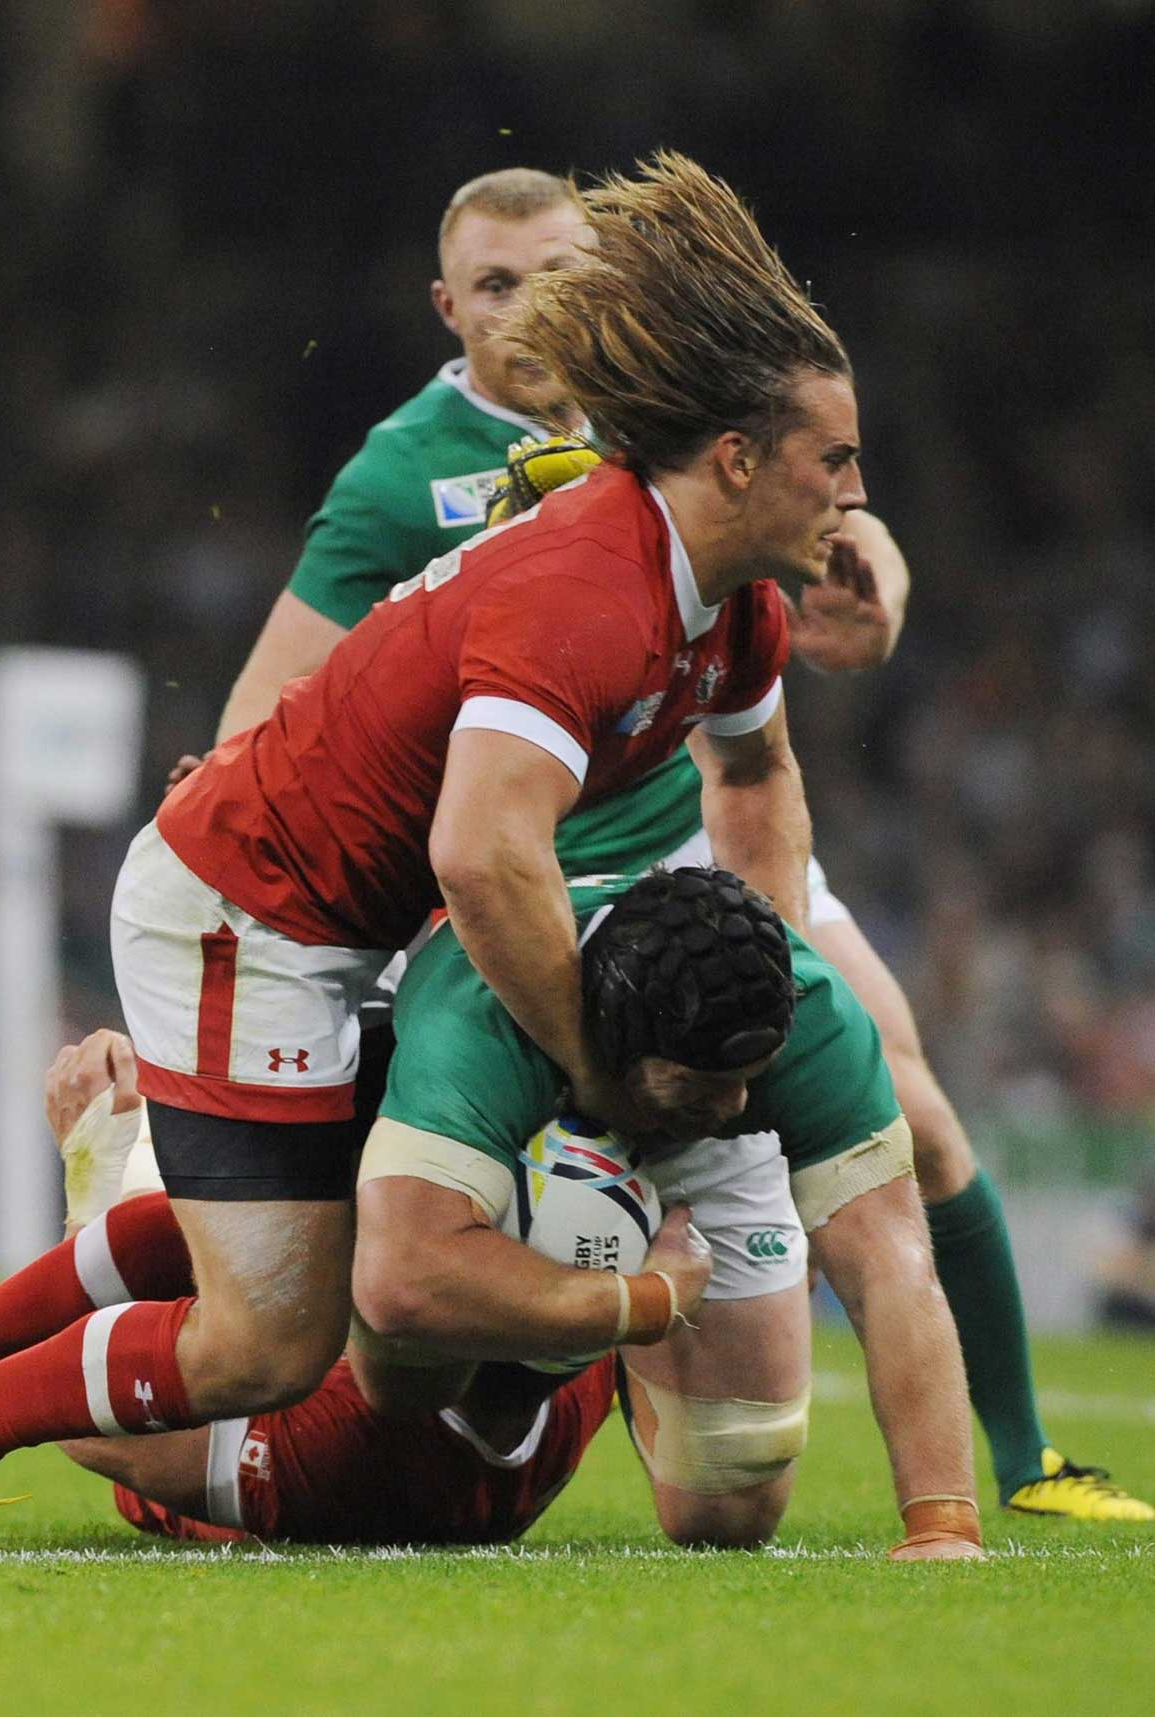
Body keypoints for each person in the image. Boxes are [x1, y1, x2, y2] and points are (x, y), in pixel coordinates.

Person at [0, 152, 865, 1552]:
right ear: (737, 460)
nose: (857, 494)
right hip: (252, 914)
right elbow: (485, 854)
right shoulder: (590, 585)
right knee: (270, 1337)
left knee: (285, 1237)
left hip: (341, 921)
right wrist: (598, 1071)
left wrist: (768, 966)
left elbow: (756, 773)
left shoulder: (722, 598)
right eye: (841, 461)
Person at [178, 157, 1147, 1522]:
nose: (531, 311)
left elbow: (803, 476)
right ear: (447, 305)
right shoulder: (404, 476)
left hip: (701, 830)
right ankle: (545, 1352)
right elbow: (286, 685)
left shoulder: (658, 410)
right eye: (498, 286)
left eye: (562, 277)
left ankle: (1028, 1461)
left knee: (909, 1106)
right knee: (416, 1173)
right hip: (531, 857)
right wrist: (231, 823)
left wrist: (873, 554)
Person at [0, 869, 976, 1560]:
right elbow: (411, 1282)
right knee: (244, 1306)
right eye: (701, 1093)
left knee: (733, 1492)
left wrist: (942, 1519)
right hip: (454, 1306)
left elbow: (886, 1261)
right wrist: (643, 1298)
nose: (733, 1112)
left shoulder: (386, 1435)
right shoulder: (486, 1071)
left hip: (421, 1403)